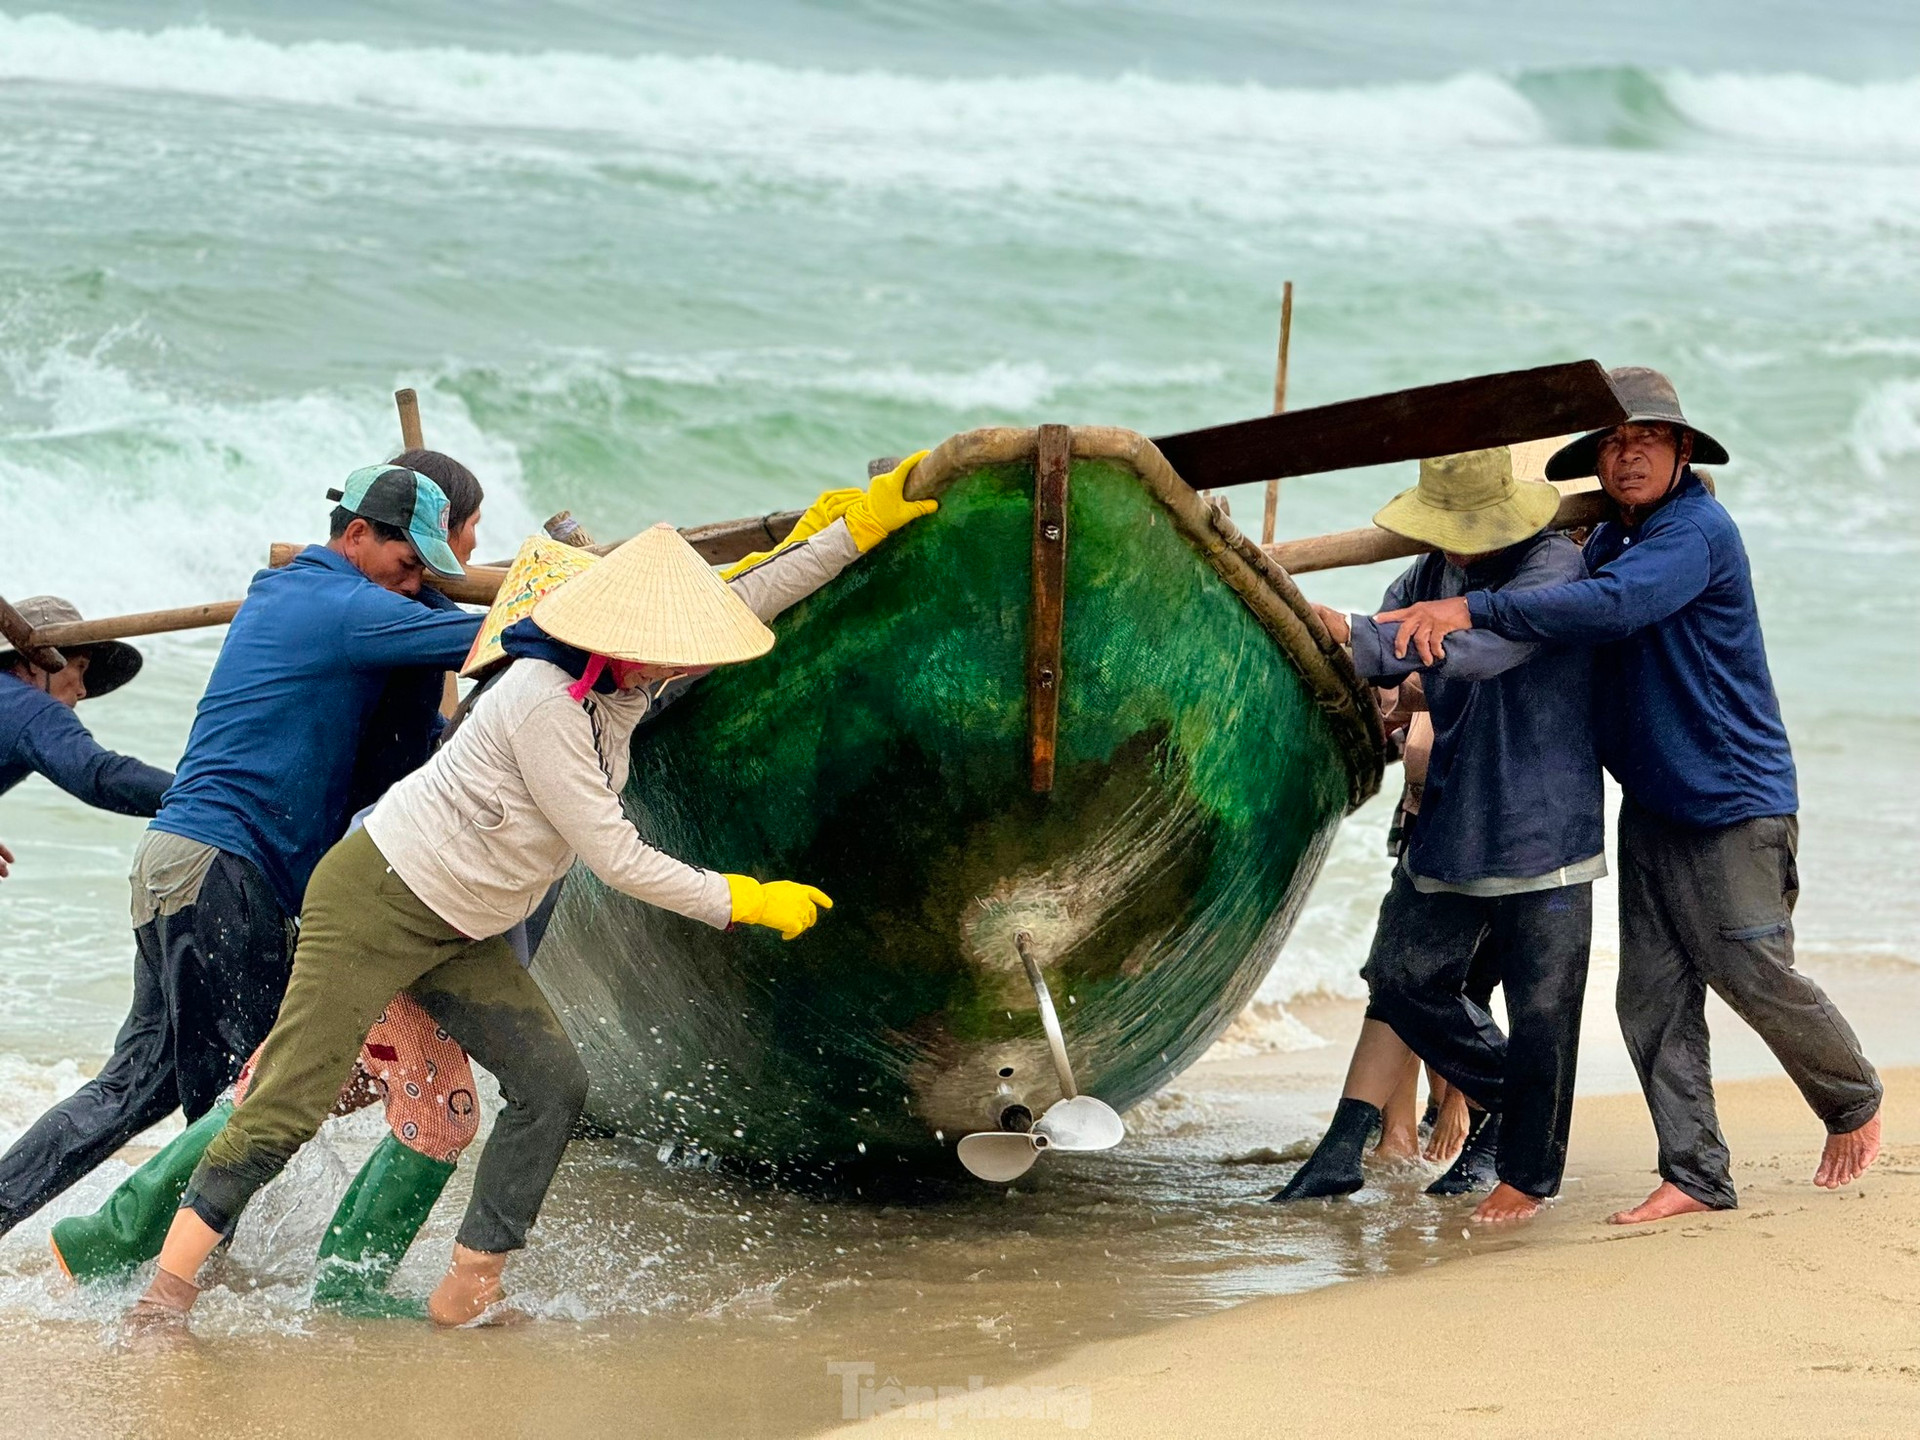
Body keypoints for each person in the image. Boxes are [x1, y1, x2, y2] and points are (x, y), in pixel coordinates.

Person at [131, 456, 940, 1329]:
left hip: (464, 927)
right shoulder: (545, 698)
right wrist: (741, 898)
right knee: (292, 1095)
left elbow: (748, 598)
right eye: (673, 647)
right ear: (621, 635)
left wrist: (854, 531)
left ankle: (468, 1291)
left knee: (553, 1083)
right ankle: (164, 1293)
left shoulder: (632, 674)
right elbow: (615, 854)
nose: (687, 659)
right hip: (376, 900)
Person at [1379, 367, 1882, 1223]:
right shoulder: (1611, 540)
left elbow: (1612, 607)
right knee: (1648, 996)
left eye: (1645, 439)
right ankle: (1696, 1174)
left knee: (1748, 967)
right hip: (1651, 799)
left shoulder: (1696, 533)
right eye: (1611, 443)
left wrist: (1473, 610)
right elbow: (1578, 587)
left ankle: (1852, 1099)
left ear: (1682, 450)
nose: (1627, 455)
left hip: (1731, 800)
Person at [0, 462, 484, 1239]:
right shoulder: (342, 604)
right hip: (226, 870)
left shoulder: (297, 594)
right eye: (407, 563)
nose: (412, 582)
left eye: (428, 571)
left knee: (136, 1089)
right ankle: (163, 1271)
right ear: (356, 535)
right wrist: (554, 597)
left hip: (173, 863)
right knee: (247, 1093)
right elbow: (494, 637)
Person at [1271, 447, 1602, 1225]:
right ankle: (1525, 1111)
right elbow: (1389, 653)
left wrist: (1351, 630)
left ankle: (1527, 1175)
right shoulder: (1428, 572)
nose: (1453, 543)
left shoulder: (1553, 570)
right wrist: (1360, 657)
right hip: (1452, 816)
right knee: (1401, 979)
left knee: (1544, 1012)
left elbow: (1475, 650)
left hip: (1541, 827)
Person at [1, 596, 171, 824]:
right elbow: (99, 776)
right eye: (80, 668)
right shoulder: (26, 706)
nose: (82, 690)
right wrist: (208, 797)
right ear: (35, 661)